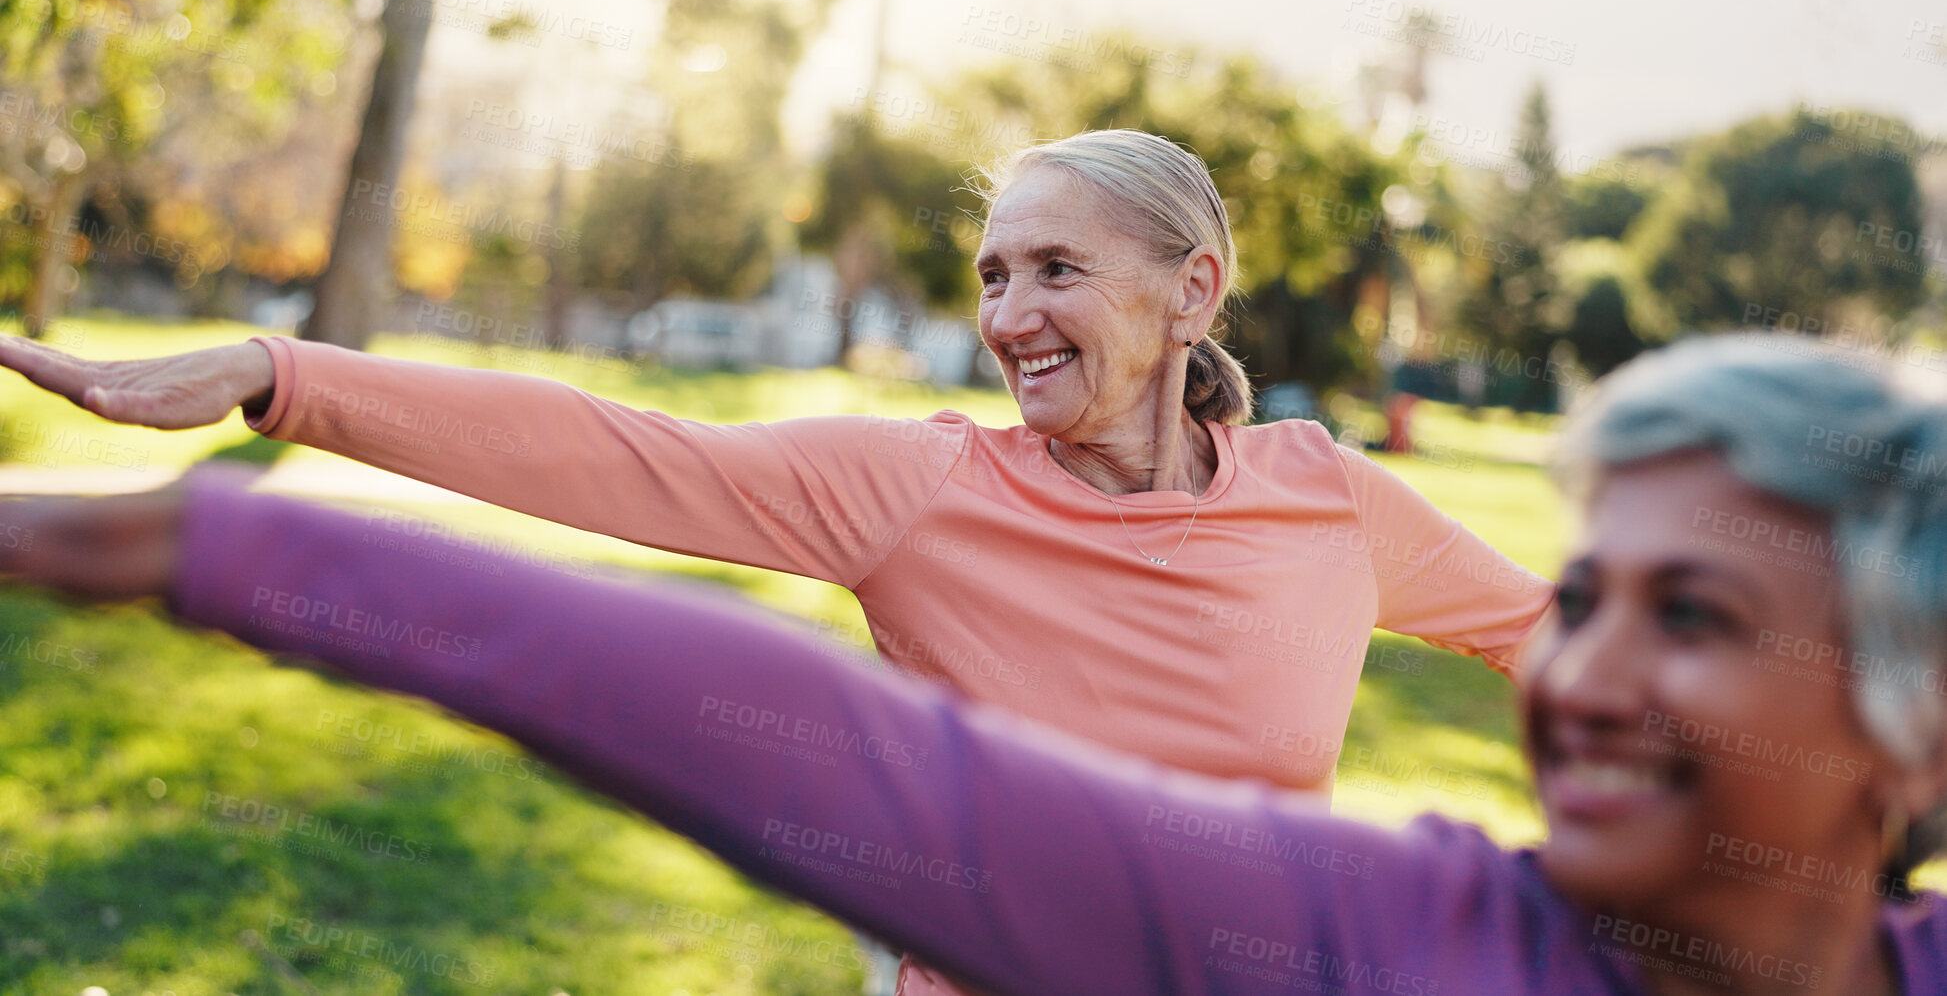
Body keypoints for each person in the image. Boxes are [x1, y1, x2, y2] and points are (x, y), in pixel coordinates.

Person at [0, 130, 1549, 992]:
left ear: (1191, 293)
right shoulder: (920, 490)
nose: (1009, 316)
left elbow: (1555, 640)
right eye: (994, 273)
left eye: (1057, 270)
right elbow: (612, 448)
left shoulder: (1327, 503)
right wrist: (283, 375)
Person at [13, 332, 1947, 993]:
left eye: (1685, 616)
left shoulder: (1323, 499)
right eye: (990, 267)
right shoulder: (1399, 946)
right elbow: (840, 742)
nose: (1588, 674)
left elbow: (1519, 621)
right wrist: (251, 454)